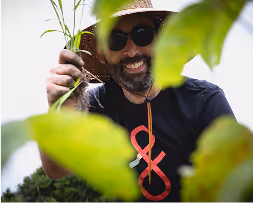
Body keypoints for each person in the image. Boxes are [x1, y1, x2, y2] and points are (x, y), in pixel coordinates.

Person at [43, 0, 234, 202]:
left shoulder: (203, 101)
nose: (132, 51)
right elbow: (57, 169)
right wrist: (58, 111)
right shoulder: (93, 106)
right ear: (101, 53)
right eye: (115, 39)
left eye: (142, 34)